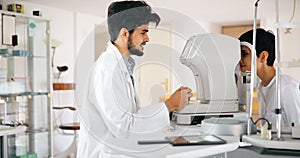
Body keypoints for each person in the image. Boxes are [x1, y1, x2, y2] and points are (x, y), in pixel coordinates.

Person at [77, 1, 192, 157]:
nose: (147, 39)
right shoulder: (107, 69)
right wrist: (169, 105)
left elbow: (131, 117)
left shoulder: (122, 66)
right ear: (125, 34)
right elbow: (123, 127)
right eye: (143, 32)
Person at [238, 28, 300, 130]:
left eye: (244, 54)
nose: (240, 59)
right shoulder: (260, 88)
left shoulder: (287, 88)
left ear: (263, 57)